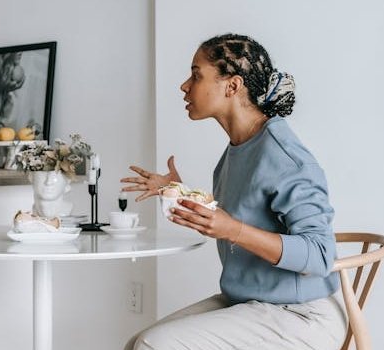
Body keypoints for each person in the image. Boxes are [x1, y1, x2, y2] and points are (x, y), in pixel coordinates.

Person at [120, 34, 345, 349]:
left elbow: (320, 255)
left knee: (152, 345)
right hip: (251, 302)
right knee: (137, 343)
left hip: (301, 316)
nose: (185, 86)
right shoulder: (240, 147)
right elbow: (240, 212)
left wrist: (234, 230)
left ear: (232, 85)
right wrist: (176, 191)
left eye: (196, 75)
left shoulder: (284, 156)